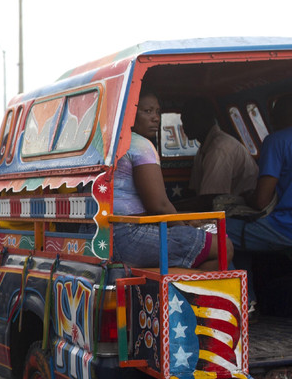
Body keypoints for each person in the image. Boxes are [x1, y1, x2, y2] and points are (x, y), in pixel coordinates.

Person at [111, 91, 230, 270]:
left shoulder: (111, 143)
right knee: (224, 246)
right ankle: (188, 296)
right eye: (147, 111)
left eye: (157, 112)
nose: (155, 118)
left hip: (105, 236)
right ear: (129, 113)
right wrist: (184, 228)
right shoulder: (140, 145)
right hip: (129, 236)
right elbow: (158, 205)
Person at [227, 96, 292, 255]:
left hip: (283, 227)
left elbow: (261, 202)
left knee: (216, 232)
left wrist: (247, 197)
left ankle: (243, 279)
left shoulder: (276, 141)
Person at [179, 97, 258, 209]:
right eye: (183, 121)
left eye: (190, 119)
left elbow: (211, 199)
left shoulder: (220, 148)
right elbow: (194, 191)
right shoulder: (203, 149)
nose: (185, 126)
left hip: (242, 211)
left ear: (206, 119)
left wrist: (171, 209)